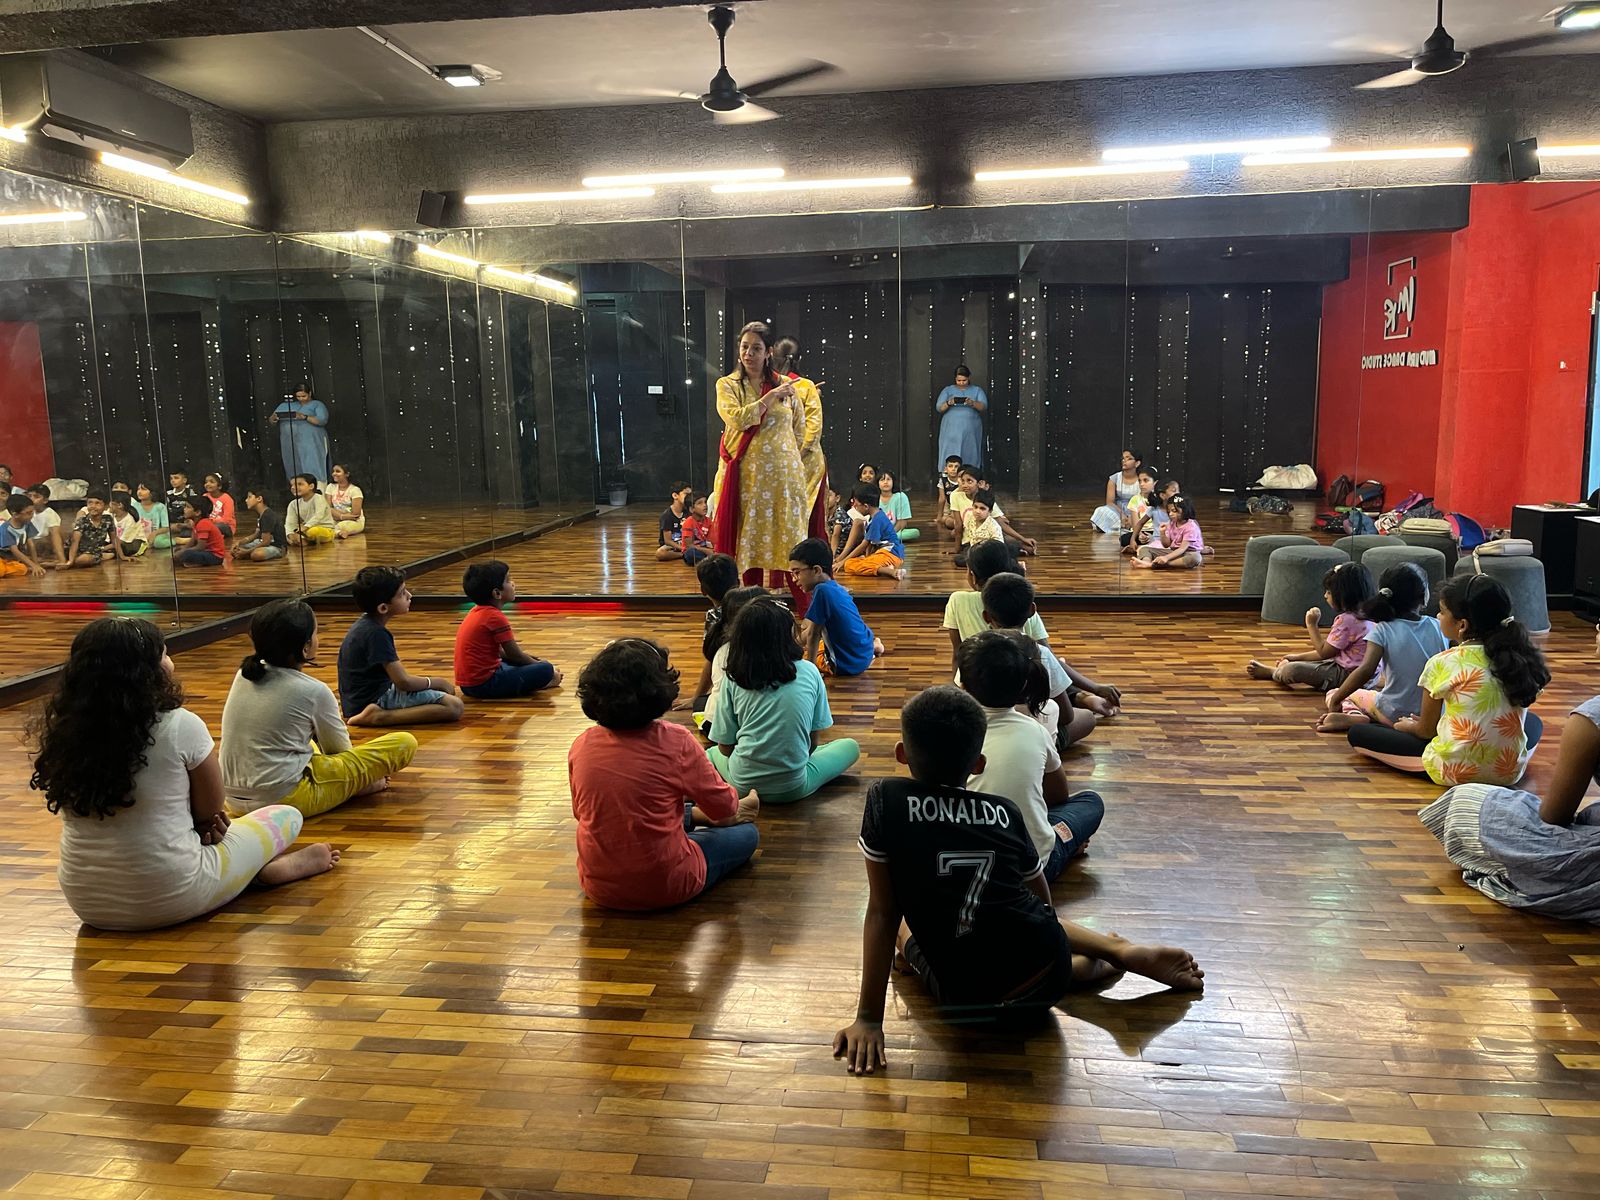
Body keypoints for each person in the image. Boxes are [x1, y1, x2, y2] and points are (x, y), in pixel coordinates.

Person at [833, 685, 1203, 1069]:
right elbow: (1043, 906)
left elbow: (882, 912)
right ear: (978, 764)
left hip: (968, 998)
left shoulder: (885, 800)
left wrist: (869, 1019)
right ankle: (1115, 951)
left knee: (900, 924)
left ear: (901, 753)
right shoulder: (1005, 813)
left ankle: (1101, 962)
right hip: (1048, 974)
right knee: (1021, 916)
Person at [31, 617, 338, 932]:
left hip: (86, 902)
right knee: (285, 815)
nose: (170, 662)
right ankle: (255, 874)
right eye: (164, 654)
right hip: (173, 893)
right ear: (148, 671)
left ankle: (248, 874)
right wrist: (204, 826)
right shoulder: (179, 725)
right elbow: (211, 812)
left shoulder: (64, 732)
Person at [1419, 622, 1600, 920]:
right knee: (1531, 727)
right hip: (1509, 767)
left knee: (1464, 800)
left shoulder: (1589, 719)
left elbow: (1555, 817)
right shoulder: (1514, 659)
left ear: (1461, 624)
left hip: (1450, 764)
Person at [570, 638, 759, 910]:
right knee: (748, 834)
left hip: (599, 886)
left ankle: (687, 817)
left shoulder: (581, 744)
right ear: (659, 690)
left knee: (641, 808)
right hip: (668, 885)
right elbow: (725, 807)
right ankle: (688, 820)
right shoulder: (677, 741)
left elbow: (583, 812)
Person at [221, 599, 418, 818]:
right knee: (404, 742)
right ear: (305, 647)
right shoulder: (314, 691)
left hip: (231, 799)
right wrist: (362, 779)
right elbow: (340, 753)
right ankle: (356, 789)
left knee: (309, 744)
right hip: (283, 799)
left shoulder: (244, 675)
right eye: (316, 633)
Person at [1348, 574, 1548, 784]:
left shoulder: (1442, 662)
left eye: (1442, 611)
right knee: (1532, 722)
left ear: (1462, 625)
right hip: (1509, 773)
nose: (1438, 615)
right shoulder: (1519, 657)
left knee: (1358, 733)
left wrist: (1407, 726)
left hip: (1453, 770)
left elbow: (1426, 731)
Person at [961, 629, 1104, 878]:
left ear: (963, 686)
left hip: (962, 860)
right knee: (1090, 802)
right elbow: (1058, 795)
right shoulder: (1035, 730)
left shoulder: (949, 728)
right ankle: (1064, 843)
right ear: (1025, 684)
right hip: (1032, 869)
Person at [708, 595, 861, 803]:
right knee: (850, 746)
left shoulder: (733, 676)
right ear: (789, 634)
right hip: (793, 786)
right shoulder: (810, 671)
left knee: (711, 753)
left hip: (742, 785)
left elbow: (725, 748)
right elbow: (812, 744)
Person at [709, 322, 810, 601]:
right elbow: (738, 418)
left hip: (784, 482)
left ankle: (807, 612)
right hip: (748, 481)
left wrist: (784, 459)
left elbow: (799, 430)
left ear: (768, 352)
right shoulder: (728, 385)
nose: (749, 354)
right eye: (744, 347)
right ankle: (750, 607)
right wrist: (771, 396)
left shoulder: (787, 386)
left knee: (791, 542)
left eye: (756, 348)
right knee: (750, 544)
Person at [983, 571, 1117, 747]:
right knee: (1087, 718)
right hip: (1030, 733)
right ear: (1032, 610)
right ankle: (1050, 736)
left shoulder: (973, 649)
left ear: (986, 616)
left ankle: (1077, 698)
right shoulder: (1041, 653)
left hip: (986, 734)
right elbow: (1067, 716)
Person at [1317, 562, 1448, 734]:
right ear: (1424, 597)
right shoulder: (1439, 626)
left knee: (1336, 692)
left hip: (1392, 713)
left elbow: (1365, 671)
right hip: (1433, 717)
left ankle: (1354, 715)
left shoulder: (1382, 630)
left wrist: (1336, 700)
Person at [337, 565, 464, 726]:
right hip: (374, 699)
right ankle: (380, 716)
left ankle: (379, 713)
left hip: (357, 701)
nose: (409, 595)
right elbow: (403, 682)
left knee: (441, 693)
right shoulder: (376, 633)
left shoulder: (364, 626)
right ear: (383, 608)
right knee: (454, 706)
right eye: (402, 593)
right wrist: (436, 681)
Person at [1248, 562, 1375, 690]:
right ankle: (1285, 667)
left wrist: (1311, 624)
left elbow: (1324, 652)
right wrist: (1296, 657)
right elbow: (1332, 651)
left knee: (1292, 670)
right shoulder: (1372, 615)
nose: (1325, 595)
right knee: (1312, 663)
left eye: (1329, 592)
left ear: (1344, 595)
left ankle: (1274, 672)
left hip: (1348, 676)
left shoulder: (1347, 621)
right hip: (1368, 678)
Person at [454, 560, 562, 700]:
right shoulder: (495, 617)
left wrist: (533, 660)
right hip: (484, 685)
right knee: (545, 669)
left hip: (468, 685)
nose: (513, 584)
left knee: (525, 663)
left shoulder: (477, 611)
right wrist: (547, 668)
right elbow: (515, 655)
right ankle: (547, 681)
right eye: (508, 580)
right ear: (497, 593)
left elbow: (500, 652)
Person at [789, 537, 885, 676]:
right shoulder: (835, 587)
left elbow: (813, 634)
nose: (793, 579)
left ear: (816, 570)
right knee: (812, 638)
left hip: (846, 665)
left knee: (799, 657)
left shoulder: (821, 591)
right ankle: (874, 646)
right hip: (864, 650)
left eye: (797, 572)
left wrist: (811, 671)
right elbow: (810, 627)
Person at [772, 336, 830, 541]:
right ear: (799, 359)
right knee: (809, 515)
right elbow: (814, 428)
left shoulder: (768, 387)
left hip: (779, 460)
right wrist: (799, 453)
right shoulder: (805, 386)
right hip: (805, 460)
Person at [695, 584, 766, 734]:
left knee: (702, 703)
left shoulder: (723, 650)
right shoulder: (777, 647)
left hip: (725, 729)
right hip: (758, 726)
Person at [687, 553, 740, 712]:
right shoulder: (760, 605)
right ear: (738, 582)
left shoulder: (715, 616)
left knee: (702, 706)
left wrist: (696, 697)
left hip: (735, 691)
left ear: (703, 590)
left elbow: (711, 658)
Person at [836, 483, 909, 581]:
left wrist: (842, 561)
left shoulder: (876, 520)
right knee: (850, 564)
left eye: (857, 505)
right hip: (884, 554)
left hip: (891, 555)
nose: (855, 507)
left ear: (866, 506)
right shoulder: (876, 516)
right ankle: (883, 568)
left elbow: (864, 545)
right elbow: (871, 545)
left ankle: (891, 572)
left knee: (849, 564)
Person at [271, 384, 331, 485]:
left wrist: (304, 417)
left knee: (314, 464)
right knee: (293, 465)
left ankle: (318, 486)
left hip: (311, 442)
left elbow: (322, 420)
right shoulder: (285, 406)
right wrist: (273, 418)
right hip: (290, 443)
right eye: (298, 396)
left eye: (304, 396)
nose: (301, 399)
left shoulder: (317, 404)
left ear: (310, 393)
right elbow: (272, 420)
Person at [935, 365, 988, 472]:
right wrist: (949, 402)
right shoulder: (948, 390)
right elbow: (939, 408)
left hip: (971, 430)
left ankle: (970, 474)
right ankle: (948, 474)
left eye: (964, 380)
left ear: (969, 378)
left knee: (971, 451)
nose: (961, 383)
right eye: (959, 380)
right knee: (950, 450)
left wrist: (972, 403)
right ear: (955, 378)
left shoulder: (977, 390)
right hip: (950, 430)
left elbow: (984, 406)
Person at [1131, 494, 1203, 569]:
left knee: (1196, 558)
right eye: (1169, 512)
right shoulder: (1172, 523)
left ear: (1185, 510)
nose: (1170, 514)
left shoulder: (1191, 526)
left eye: (1174, 511)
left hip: (1187, 553)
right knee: (1145, 549)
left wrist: (1166, 558)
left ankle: (1155, 565)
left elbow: (1182, 548)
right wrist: (1162, 533)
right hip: (1174, 552)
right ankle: (1146, 562)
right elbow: (1166, 545)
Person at [66, 492, 126, 568]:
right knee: (83, 559)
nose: (93, 506)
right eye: (90, 503)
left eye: (97, 503)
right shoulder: (82, 521)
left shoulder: (108, 519)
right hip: (76, 552)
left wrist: (122, 556)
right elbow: (75, 541)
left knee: (87, 558)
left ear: (105, 506)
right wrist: (71, 561)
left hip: (94, 552)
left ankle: (97, 557)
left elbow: (114, 539)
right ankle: (72, 562)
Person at [1091, 449, 1143, 534]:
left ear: (1137, 463)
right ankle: (1123, 525)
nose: (1124, 461)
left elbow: (1144, 500)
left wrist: (1132, 516)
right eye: (1123, 458)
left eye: (1129, 458)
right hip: (1118, 510)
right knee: (1101, 511)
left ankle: (1129, 525)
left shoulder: (1142, 478)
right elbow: (1110, 502)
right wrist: (1122, 515)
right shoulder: (1114, 478)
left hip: (1137, 509)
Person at [231, 489, 287, 562]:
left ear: (259, 499)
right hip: (264, 543)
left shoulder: (267, 515)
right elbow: (256, 534)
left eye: (249, 497)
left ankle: (247, 554)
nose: (246, 500)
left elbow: (266, 542)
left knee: (256, 554)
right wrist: (239, 542)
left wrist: (246, 552)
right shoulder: (261, 514)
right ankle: (246, 554)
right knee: (235, 550)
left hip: (277, 547)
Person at [1, 494, 46, 577]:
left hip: (11, 560)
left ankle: (6, 569)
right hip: (1, 558)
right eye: (28, 513)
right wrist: (33, 565)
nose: (32, 515)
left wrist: (36, 564)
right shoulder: (5, 529)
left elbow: (31, 545)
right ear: (15, 514)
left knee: (22, 569)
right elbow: (15, 550)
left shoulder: (27, 524)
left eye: (32, 512)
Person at [285, 474, 335, 545]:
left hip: (324, 529)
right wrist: (290, 535)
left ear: (311, 486)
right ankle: (301, 540)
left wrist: (305, 527)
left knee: (313, 531)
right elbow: (290, 523)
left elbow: (318, 515)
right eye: (292, 485)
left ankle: (303, 540)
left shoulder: (318, 498)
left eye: (299, 484)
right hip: (304, 530)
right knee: (286, 531)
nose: (293, 487)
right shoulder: (293, 504)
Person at [174, 499, 226, 567]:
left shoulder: (203, 523)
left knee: (186, 554)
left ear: (197, 512)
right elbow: (192, 542)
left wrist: (183, 551)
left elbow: (200, 547)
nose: (184, 509)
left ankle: (195, 562)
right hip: (206, 552)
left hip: (215, 556)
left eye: (188, 507)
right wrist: (182, 548)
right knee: (178, 550)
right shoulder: (196, 523)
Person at [25, 484, 66, 565]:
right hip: (31, 545)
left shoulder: (50, 514)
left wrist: (62, 560)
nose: (31, 499)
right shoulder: (26, 513)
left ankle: (53, 558)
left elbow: (55, 535)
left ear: (45, 500)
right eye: (29, 496)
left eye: (36, 497)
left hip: (44, 545)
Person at [875, 468, 917, 542]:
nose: (885, 482)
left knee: (915, 532)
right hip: (877, 531)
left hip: (896, 531)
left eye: (888, 479)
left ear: (893, 482)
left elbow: (902, 522)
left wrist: (890, 533)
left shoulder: (901, 496)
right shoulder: (874, 497)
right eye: (882, 480)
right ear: (877, 483)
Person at [656, 480, 692, 562]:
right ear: (675, 495)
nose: (689, 498)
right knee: (660, 553)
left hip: (687, 542)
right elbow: (668, 541)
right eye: (686, 495)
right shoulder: (667, 515)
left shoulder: (689, 512)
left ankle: (689, 553)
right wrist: (683, 548)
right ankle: (684, 555)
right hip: (674, 545)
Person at [327, 463, 366, 538]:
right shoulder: (330, 487)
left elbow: (355, 514)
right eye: (333, 471)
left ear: (347, 474)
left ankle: (337, 533)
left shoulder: (355, 490)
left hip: (354, 521)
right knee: (323, 525)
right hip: (335, 519)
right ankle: (338, 533)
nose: (334, 474)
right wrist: (342, 516)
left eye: (338, 471)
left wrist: (336, 514)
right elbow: (328, 509)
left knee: (341, 526)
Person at [131, 483, 171, 551]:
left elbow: (166, 528)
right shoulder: (135, 506)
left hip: (158, 535)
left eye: (143, 489)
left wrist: (154, 534)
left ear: (152, 492)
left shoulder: (160, 507)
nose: (139, 492)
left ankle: (176, 540)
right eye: (138, 489)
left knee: (158, 542)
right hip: (140, 536)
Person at [108, 493, 147, 558]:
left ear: (120, 505)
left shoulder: (130, 520)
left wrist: (102, 548)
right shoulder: (110, 516)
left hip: (131, 543)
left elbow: (122, 541)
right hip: (117, 542)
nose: (109, 505)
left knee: (124, 547)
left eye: (112, 503)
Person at [680, 494, 713, 567]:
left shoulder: (709, 521)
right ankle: (709, 560)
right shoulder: (688, 522)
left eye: (705, 502)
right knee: (691, 554)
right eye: (700, 503)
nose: (704, 505)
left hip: (705, 548)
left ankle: (708, 560)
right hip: (694, 550)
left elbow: (712, 540)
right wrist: (706, 551)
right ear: (692, 509)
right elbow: (689, 545)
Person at [201, 473, 235, 538]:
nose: (207, 484)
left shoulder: (227, 498)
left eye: (211, 482)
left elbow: (227, 520)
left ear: (219, 486)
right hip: (208, 524)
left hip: (224, 526)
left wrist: (211, 521)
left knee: (217, 526)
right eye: (206, 482)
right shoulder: (205, 496)